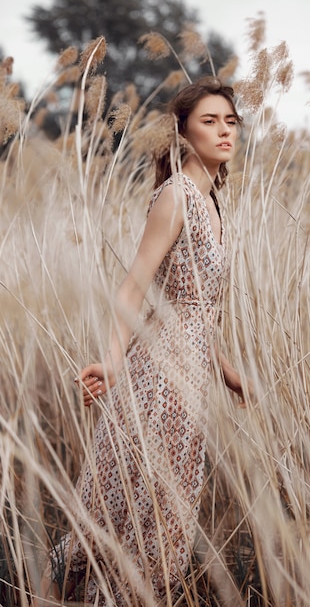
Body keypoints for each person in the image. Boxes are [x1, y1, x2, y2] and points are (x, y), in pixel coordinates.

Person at [37, 76, 247, 606]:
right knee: (131, 509)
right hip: (160, 379)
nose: (224, 131)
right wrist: (110, 359)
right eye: (209, 121)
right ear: (183, 133)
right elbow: (133, 284)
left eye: (230, 121)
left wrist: (227, 372)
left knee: (155, 515)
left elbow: (195, 307)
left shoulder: (213, 203)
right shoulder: (177, 196)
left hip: (193, 376)